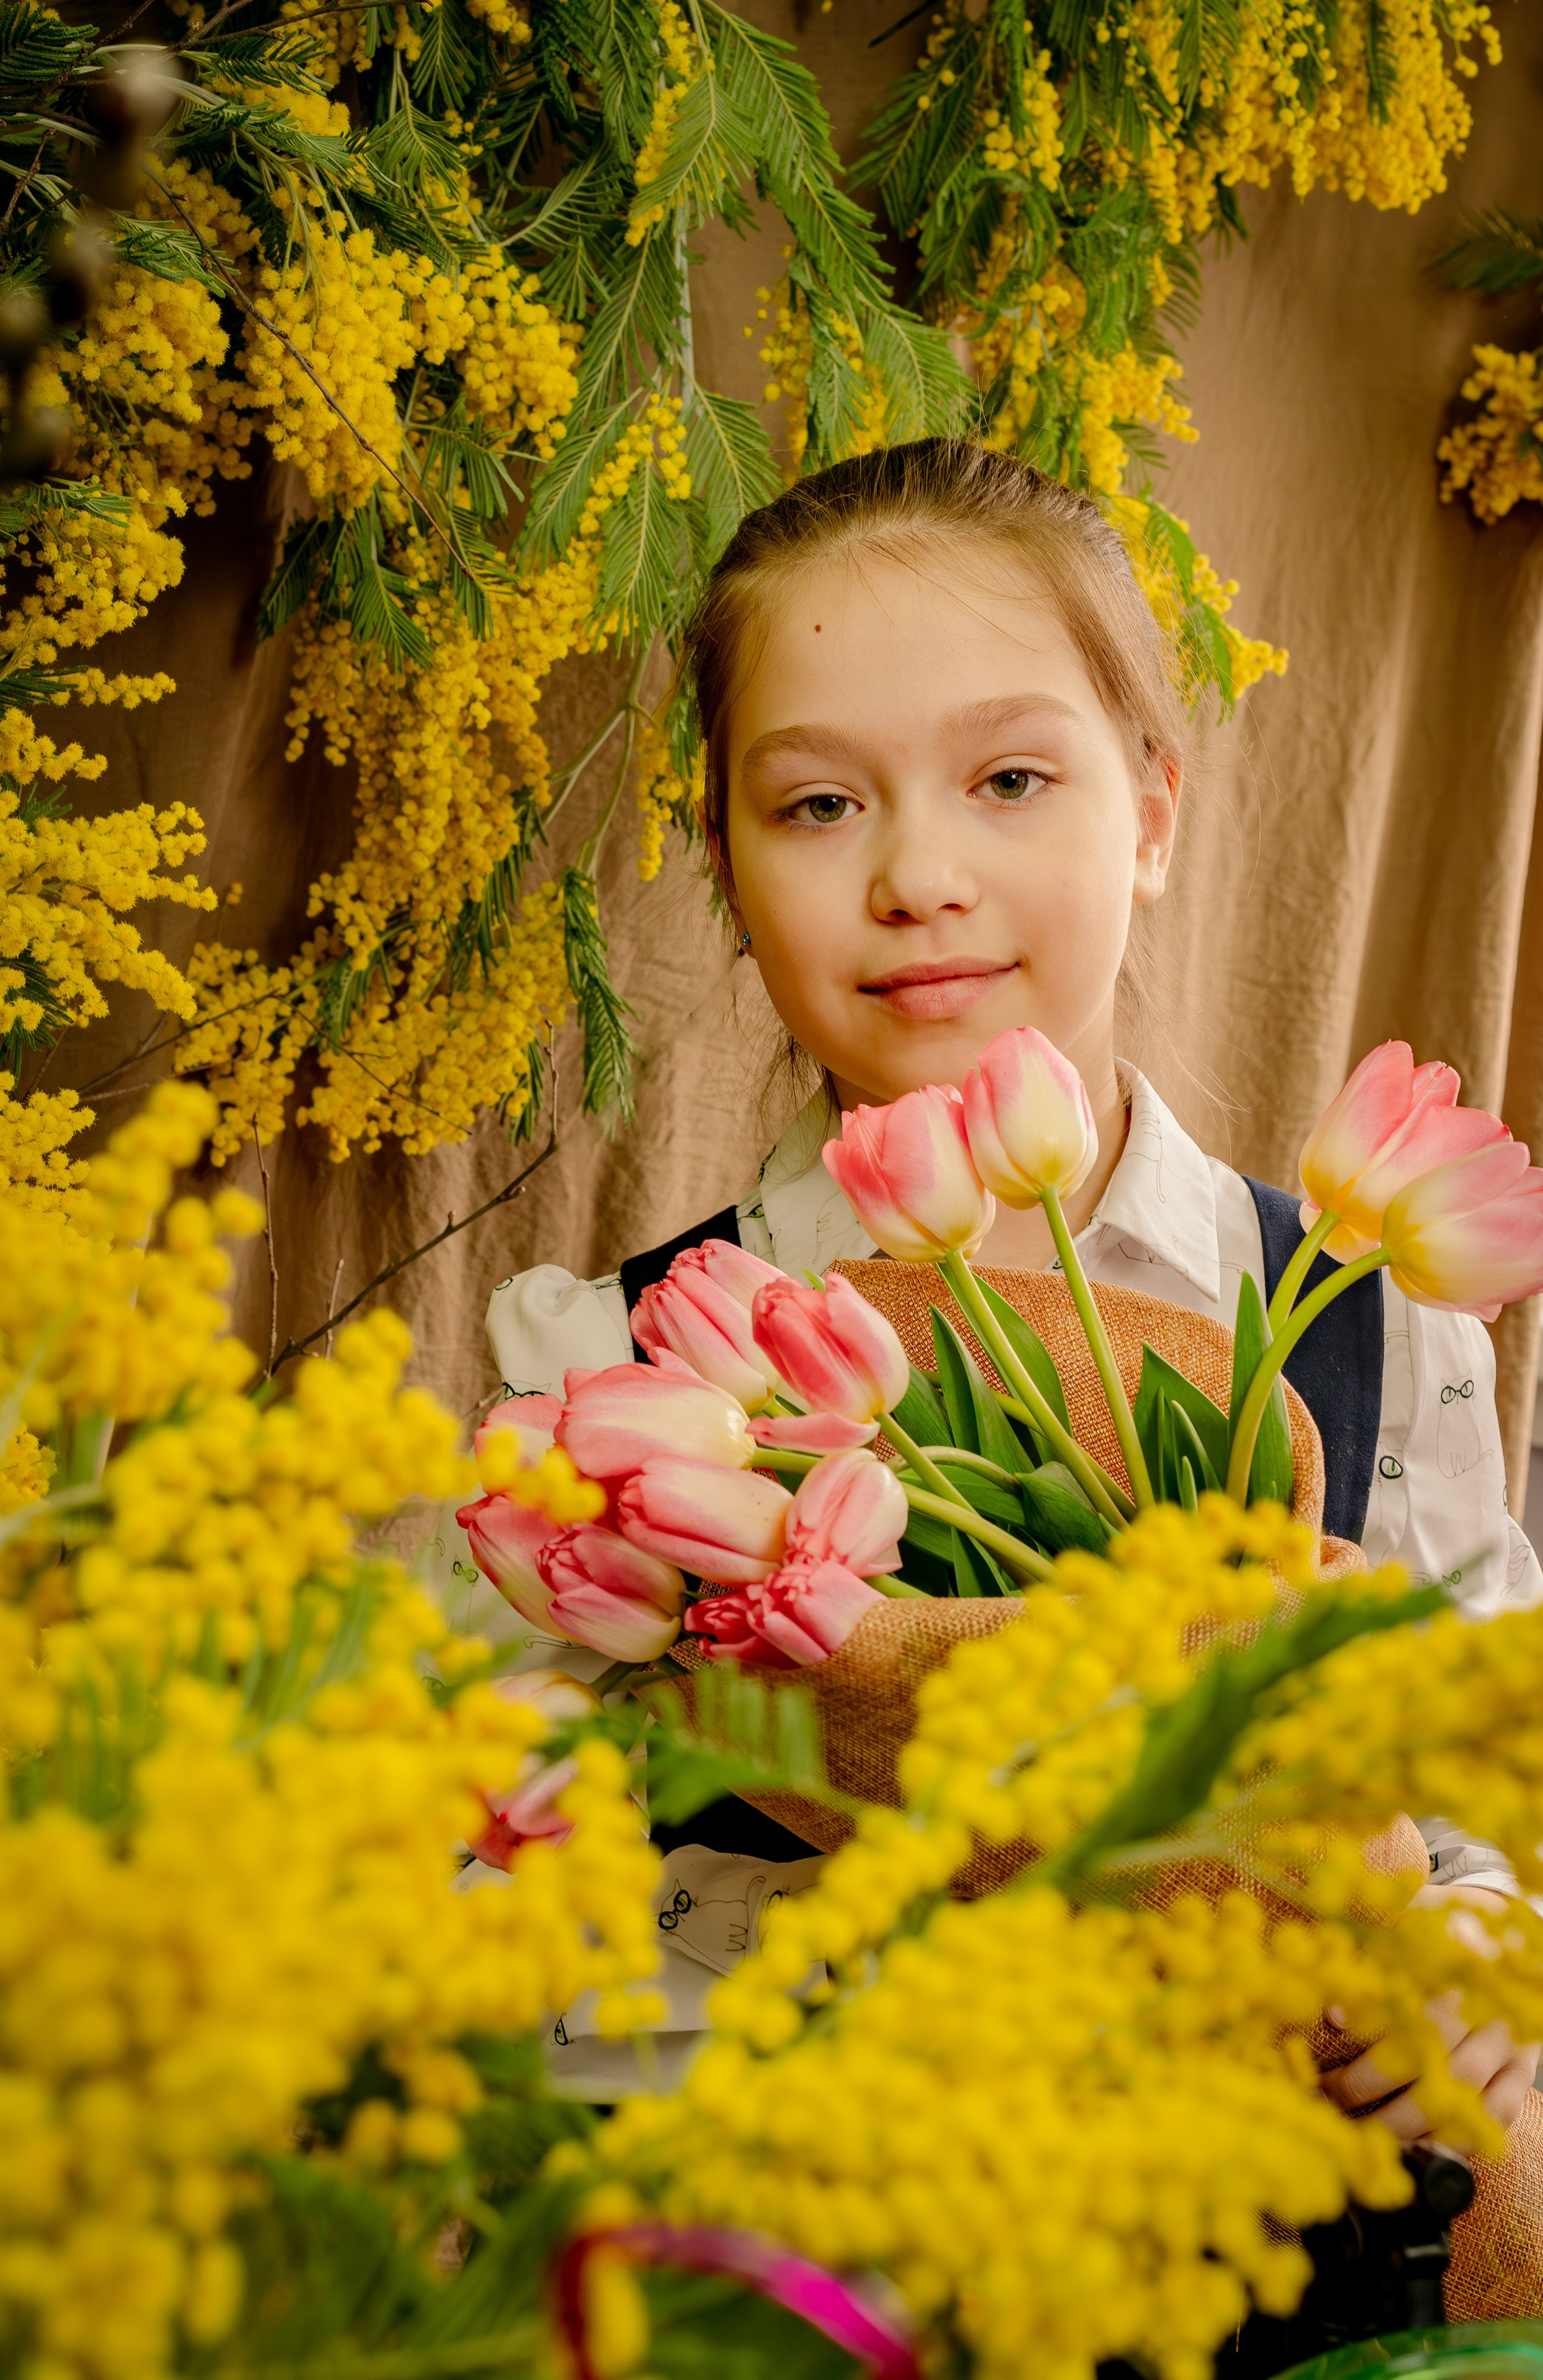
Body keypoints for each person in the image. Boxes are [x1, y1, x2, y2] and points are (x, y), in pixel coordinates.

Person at [452, 439, 1541, 2113]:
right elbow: (481, 1893)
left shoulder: (1374, 1330)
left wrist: (1471, 1954)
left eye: (1011, 780)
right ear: (728, 870)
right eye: (819, 805)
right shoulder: (618, 1388)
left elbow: (1496, 1807)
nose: (919, 879)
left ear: (1154, 815)